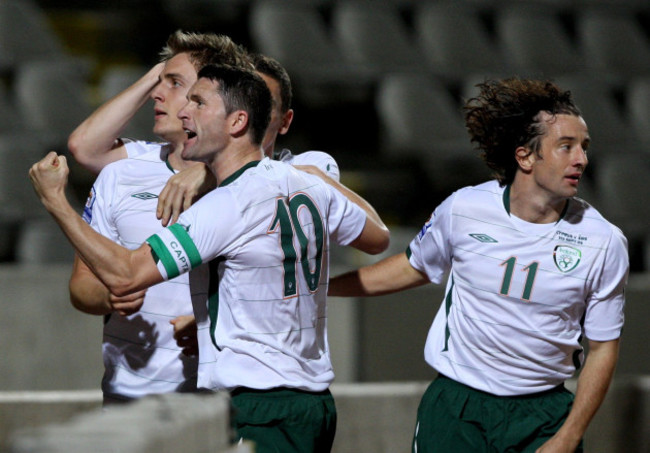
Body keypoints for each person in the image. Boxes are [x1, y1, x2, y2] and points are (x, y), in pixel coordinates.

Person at [30, 64, 390, 452]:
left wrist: (56, 202)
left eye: (199, 102)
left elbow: (127, 275)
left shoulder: (228, 203)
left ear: (237, 121)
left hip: (260, 407)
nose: (185, 111)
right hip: (312, 402)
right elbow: (376, 238)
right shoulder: (307, 183)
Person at [328, 78, 628, 452]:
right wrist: (324, 289)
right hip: (456, 407)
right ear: (525, 157)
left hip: (543, 414)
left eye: (583, 147)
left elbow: (602, 348)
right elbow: (413, 267)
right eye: (565, 147)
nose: (581, 159)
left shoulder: (604, 241)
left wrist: (567, 436)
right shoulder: (464, 209)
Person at [67, 31, 252, 404]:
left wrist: (208, 173)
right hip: (131, 393)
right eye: (159, 81)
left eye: (175, 83)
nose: (157, 93)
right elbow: (81, 287)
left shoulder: (253, 181)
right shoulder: (123, 172)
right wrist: (109, 295)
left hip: (223, 397)